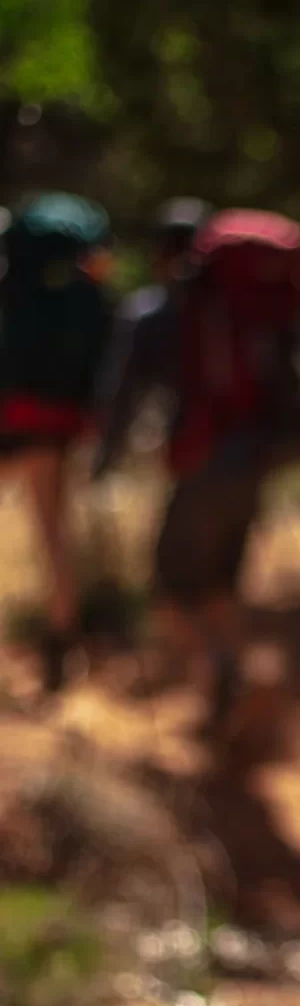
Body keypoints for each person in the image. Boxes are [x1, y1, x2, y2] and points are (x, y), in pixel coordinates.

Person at [92, 202, 300, 740]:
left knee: (168, 587)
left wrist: (104, 464)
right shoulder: (245, 304)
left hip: (201, 464)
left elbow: (124, 394)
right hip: (257, 460)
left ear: (160, 254)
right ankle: (232, 688)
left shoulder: (157, 311)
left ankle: (222, 679)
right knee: (223, 579)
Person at [0, 192, 116, 693]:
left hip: (11, 421)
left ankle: (58, 645)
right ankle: (60, 641)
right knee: (54, 536)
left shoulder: (13, 290)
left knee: (50, 535)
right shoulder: (89, 299)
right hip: (59, 429)